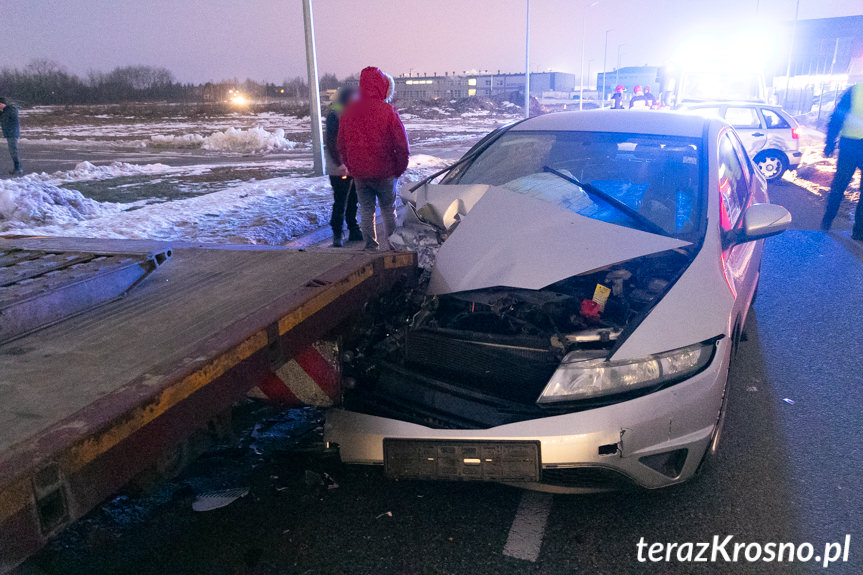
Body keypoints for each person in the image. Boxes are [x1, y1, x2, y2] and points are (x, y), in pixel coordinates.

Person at [337, 67, 409, 250]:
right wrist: (399, 168)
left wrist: (352, 166)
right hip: (385, 172)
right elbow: (401, 144)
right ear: (381, 86)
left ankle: (370, 246)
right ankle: (393, 246)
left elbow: (342, 144)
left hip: (360, 173)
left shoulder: (348, 112)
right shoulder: (388, 111)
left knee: (367, 211)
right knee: (387, 210)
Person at [822, 82, 863, 241]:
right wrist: (830, 142)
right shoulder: (855, 90)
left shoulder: (855, 90)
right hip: (850, 146)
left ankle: (827, 221)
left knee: (839, 184)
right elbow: (838, 116)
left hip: (848, 146)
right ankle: (858, 233)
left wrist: (830, 142)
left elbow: (837, 117)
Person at [324, 87, 362, 247]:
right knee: (341, 200)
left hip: (351, 164)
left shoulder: (351, 113)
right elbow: (332, 142)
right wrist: (340, 163)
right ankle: (337, 234)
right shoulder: (335, 114)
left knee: (353, 199)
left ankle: (353, 230)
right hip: (339, 166)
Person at [0, 97, 22, 175]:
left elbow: (5, 119)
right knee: (12, 151)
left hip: (12, 133)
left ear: (3, 104)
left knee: (13, 151)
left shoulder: (10, 110)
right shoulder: (6, 110)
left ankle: (18, 168)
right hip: (10, 133)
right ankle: (18, 168)